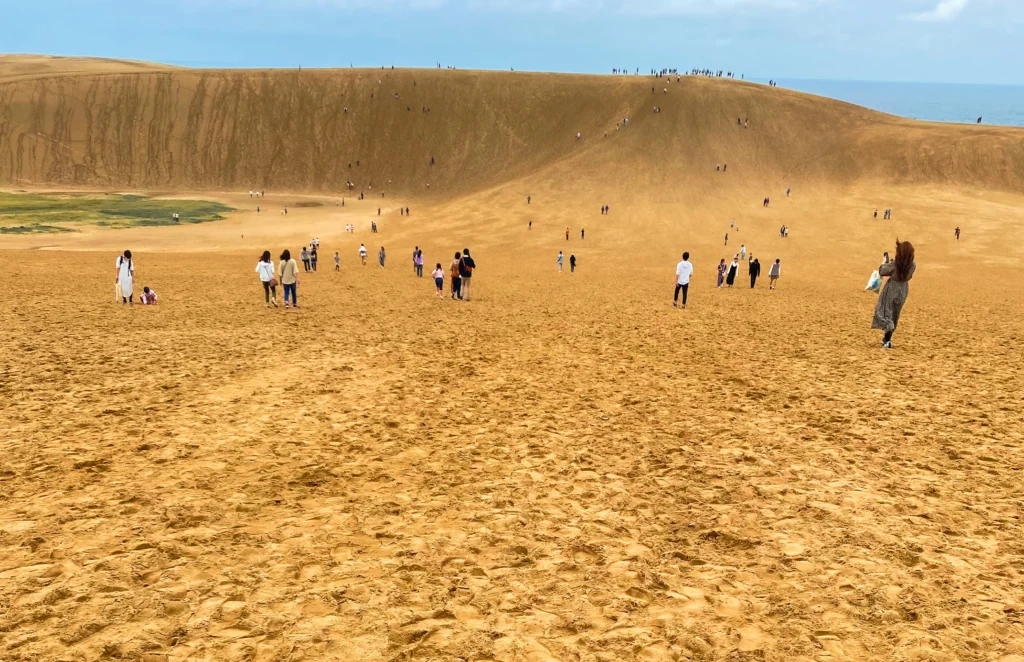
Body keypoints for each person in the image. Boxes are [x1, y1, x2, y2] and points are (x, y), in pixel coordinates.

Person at [873, 240, 916, 349]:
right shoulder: (912, 265)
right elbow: (908, 276)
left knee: (885, 310)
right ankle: (887, 339)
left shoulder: (894, 264)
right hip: (903, 289)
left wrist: (885, 262)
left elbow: (882, 271)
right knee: (895, 314)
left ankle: (887, 340)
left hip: (892, 287)